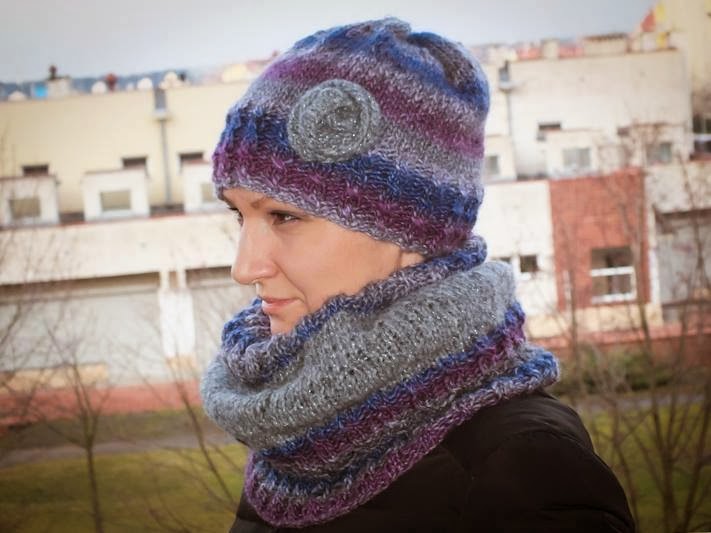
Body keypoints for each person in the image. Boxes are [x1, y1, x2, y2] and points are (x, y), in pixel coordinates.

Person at [200, 17, 635, 532]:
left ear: (411, 231)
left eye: (284, 217)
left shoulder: (522, 466)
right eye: (239, 215)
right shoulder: (296, 438)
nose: (245, 267)